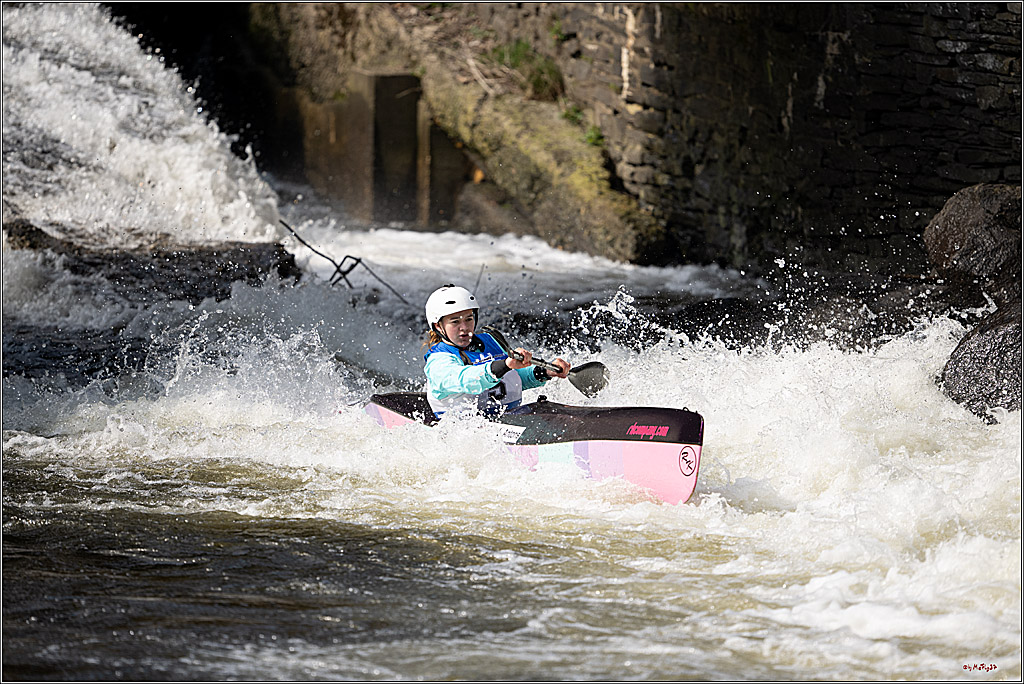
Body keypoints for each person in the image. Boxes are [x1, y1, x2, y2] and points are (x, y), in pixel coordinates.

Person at [423, 284, 570, 419]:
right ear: (438, 326)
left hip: (508, 418)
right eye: (455, 321)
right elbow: (466, 379)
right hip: (464, 429)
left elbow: (513, 379)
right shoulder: (438, 361)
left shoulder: (490, 341)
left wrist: (544, 372)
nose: (464, 327)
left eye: (469, 319)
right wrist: (504, 365)